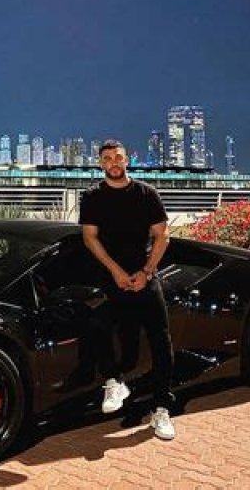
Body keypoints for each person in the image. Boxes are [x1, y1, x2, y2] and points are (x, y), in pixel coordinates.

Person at [79, 139, 176, 440]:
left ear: (127, 159)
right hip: (111, 276)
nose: (113, 163)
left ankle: (161, 409)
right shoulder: (92, 197)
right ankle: (113, 381)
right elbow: (90, 238)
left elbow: (163, 236)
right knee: (96, 324)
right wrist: (116, 271)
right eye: (107, 158)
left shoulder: (147, 194)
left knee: (161, 341)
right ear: (100, 163)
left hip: (145, 275)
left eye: (118, 157)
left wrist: (146, 272)